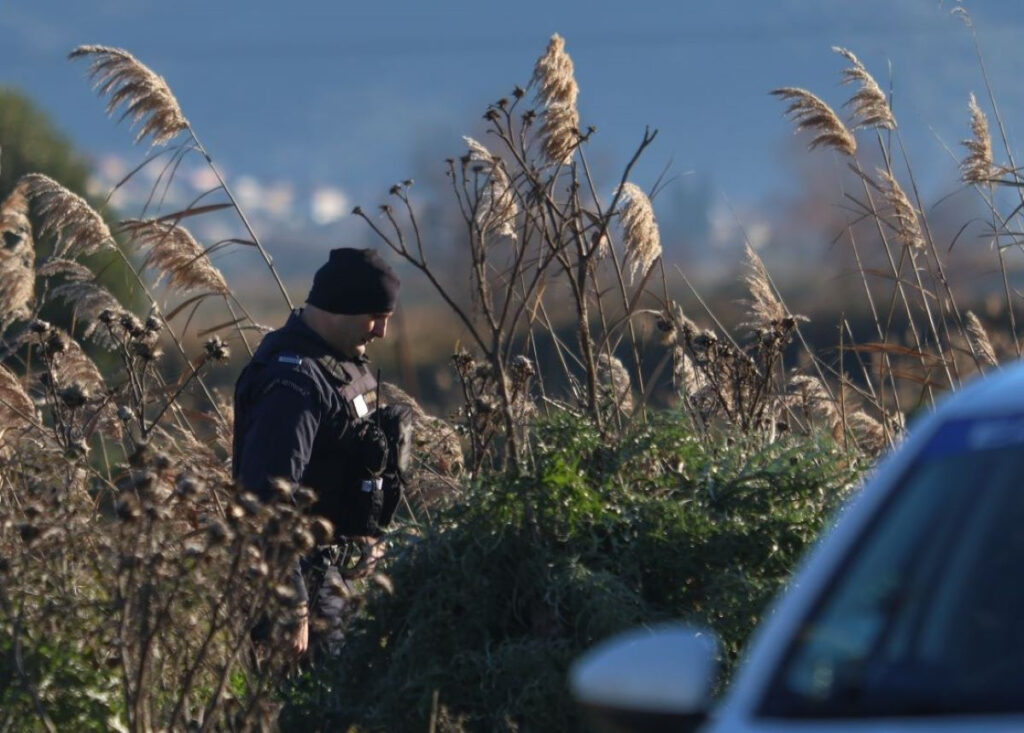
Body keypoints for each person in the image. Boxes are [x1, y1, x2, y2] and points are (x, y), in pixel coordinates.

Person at [232, 247, 408, 655]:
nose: (381, 331)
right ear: (341, 307)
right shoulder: (292, 383)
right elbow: (266, 499)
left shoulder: (338, 366)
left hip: (333, 573)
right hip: (301, 581)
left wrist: (367, 535)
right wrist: (291, 606)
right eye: (375, 317)